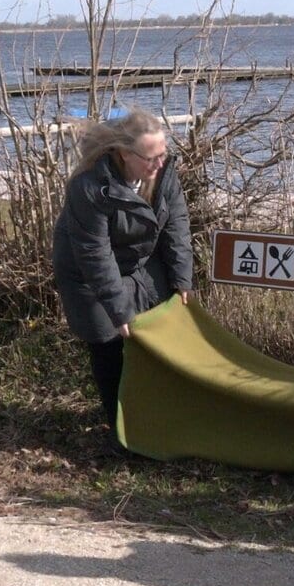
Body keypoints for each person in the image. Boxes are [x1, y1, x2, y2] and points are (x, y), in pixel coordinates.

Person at [51, 109, 194, 422]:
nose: (159, 163)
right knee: (110, 342)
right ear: (125, 154)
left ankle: (154, 411)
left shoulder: (163, 171)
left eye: (163, 153)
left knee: (157, 327)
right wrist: (119, 311)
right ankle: (119, 423)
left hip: (140, 260)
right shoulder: (88, 187)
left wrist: (183, 280)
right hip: (86, 272)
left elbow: (178, 225)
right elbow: (94, 253)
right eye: (150, 157)